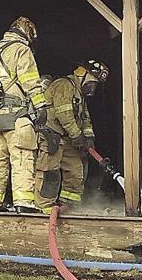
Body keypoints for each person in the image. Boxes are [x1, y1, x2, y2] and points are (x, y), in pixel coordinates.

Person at [0, 16, 48, 213]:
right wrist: (40, 105)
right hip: (15, 116)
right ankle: (24, 203)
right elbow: (29, 80)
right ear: (28, 32)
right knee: (22, 157)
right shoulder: (21, 49)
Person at [36, 60, 108, 211]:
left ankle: (69, 206)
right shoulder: (65, 85)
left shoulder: (79, 94)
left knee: (76, 170)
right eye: (93, 82)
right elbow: (64, 114)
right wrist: (77, 135)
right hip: (52, 136)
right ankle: (45, 207)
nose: (93, 89)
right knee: (49, 172)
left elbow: (85, 118)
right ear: (82, 74)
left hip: (66, 137)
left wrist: (89, 137)